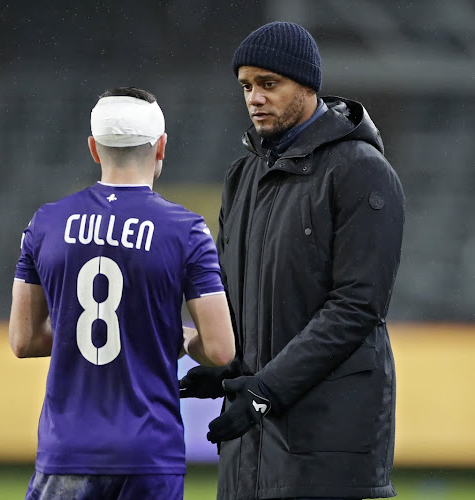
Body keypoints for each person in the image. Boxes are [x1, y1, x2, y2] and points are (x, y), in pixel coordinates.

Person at [179, 22, 405, 500]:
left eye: (268, 83)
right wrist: (232, 373)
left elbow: (356, 308)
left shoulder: (361, 171)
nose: (254, 97)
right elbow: (245, 301)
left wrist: (264, 391)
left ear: (307, 85)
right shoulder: (242, 177)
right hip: (252, 448)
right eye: (246, 86)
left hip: (330, 449)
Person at [8, 86, 236, 500]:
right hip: (149, 449)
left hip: (70, 449)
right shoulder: (186, 230)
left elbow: (23, 341)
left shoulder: (45, 224)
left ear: (94, 149)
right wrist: (173, 337)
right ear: (161, 146)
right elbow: (221, 350)